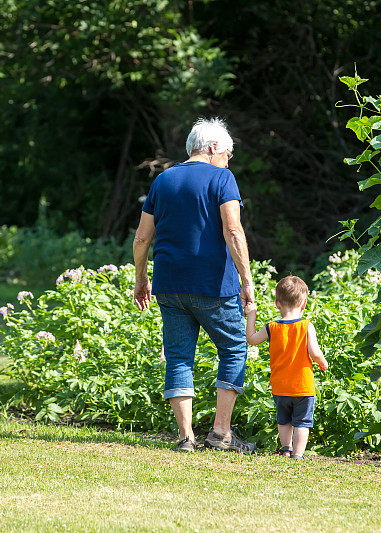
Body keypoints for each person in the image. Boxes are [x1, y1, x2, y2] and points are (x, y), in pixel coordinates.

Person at [132, 117, 256, 454]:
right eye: (228, 155)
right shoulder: (222, 178)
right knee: (233, 349)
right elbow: (233, 231)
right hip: (213, 285)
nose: (229, 162)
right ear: (214, 148)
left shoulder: (163, 181)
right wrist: (247, 282)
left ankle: (186, 437)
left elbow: (143, 236)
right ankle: (220, 434)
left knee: (178, 357)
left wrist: (141, 278)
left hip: (169, 284)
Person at [244, 275, 328, 459]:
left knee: (284, 420)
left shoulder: (271, 327)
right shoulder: (306, 326)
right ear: (303, 304)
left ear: (277, 303)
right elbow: (314, 352)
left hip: (280, 387)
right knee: (302, 422)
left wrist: (251, 314)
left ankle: (285, 447)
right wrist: (323, 362)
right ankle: (297, 455)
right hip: (303, 387)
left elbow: (251, 340)